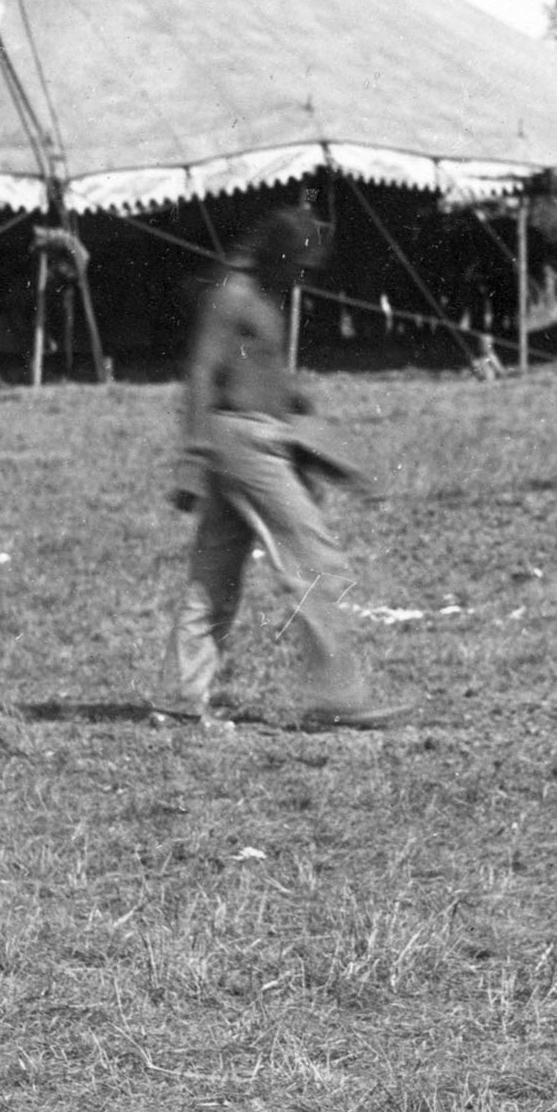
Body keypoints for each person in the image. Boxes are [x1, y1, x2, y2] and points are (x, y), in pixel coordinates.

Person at [167, 208, 389, 730]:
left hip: (257, 438)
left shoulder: (263, 294)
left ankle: (178, 700)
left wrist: (297, 408)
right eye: (299, 266)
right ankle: (338, 698)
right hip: (242, 442)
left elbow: (255, 367)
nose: (303, 278)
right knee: (316, 562)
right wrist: (191, 460)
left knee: (213, 579)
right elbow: (202, 373)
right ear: (276, 254)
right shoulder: (234, 294)